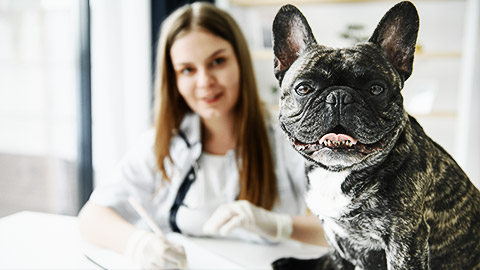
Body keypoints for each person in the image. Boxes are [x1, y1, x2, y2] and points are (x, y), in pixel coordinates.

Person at [78, 2, 326, 269]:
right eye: (187, 70)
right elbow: (92, 217)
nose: (205, 81)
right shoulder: (162, 144)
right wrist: (138, 244)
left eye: (217, 62)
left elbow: (349, 228)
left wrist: (280, 226)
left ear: (240, 61)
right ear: (173, 80)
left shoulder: (288, 141)